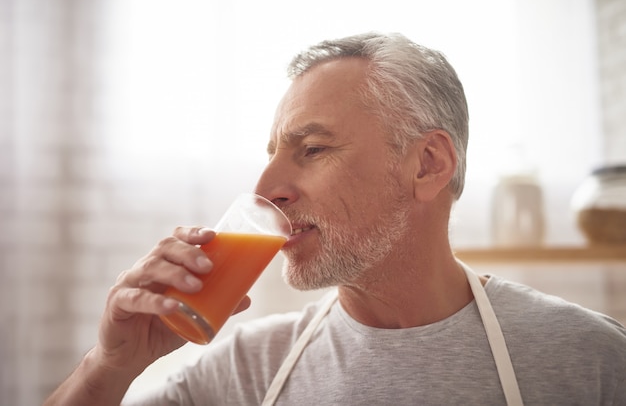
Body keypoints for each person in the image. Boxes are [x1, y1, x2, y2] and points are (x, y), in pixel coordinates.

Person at [45, 32, 625, 406]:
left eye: (312, 149)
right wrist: (108, 367)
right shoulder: (247, 371)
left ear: (427, 164)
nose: (266, 189)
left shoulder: (587, 361)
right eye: (271, 153)